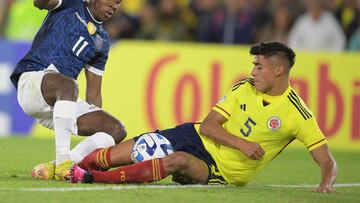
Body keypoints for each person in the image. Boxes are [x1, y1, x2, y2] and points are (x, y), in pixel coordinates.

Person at [69, 42, 338, 193]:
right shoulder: (244, 87)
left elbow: (327, 161)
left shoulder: (297, 114)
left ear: (279, 70)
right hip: (194, 134)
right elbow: (209, 126)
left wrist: (326, 184)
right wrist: (242, 144)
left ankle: (95, 179)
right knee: (123, 152)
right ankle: (68, 168)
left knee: (177, 161)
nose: (253, 72)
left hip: (220, 169)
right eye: (253, 66)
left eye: (259, 66)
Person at [9, 0, 127, 181]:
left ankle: (56, 165)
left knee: (116, 129)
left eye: (119, 2)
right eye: (113, 0)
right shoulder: (71, 4)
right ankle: (64, 165)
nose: (115, 6)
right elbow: (40, 3)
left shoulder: (101, 41)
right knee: (69, 85)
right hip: (33, 81)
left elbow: (94, 94)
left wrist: (97, 138)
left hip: (62, 101)